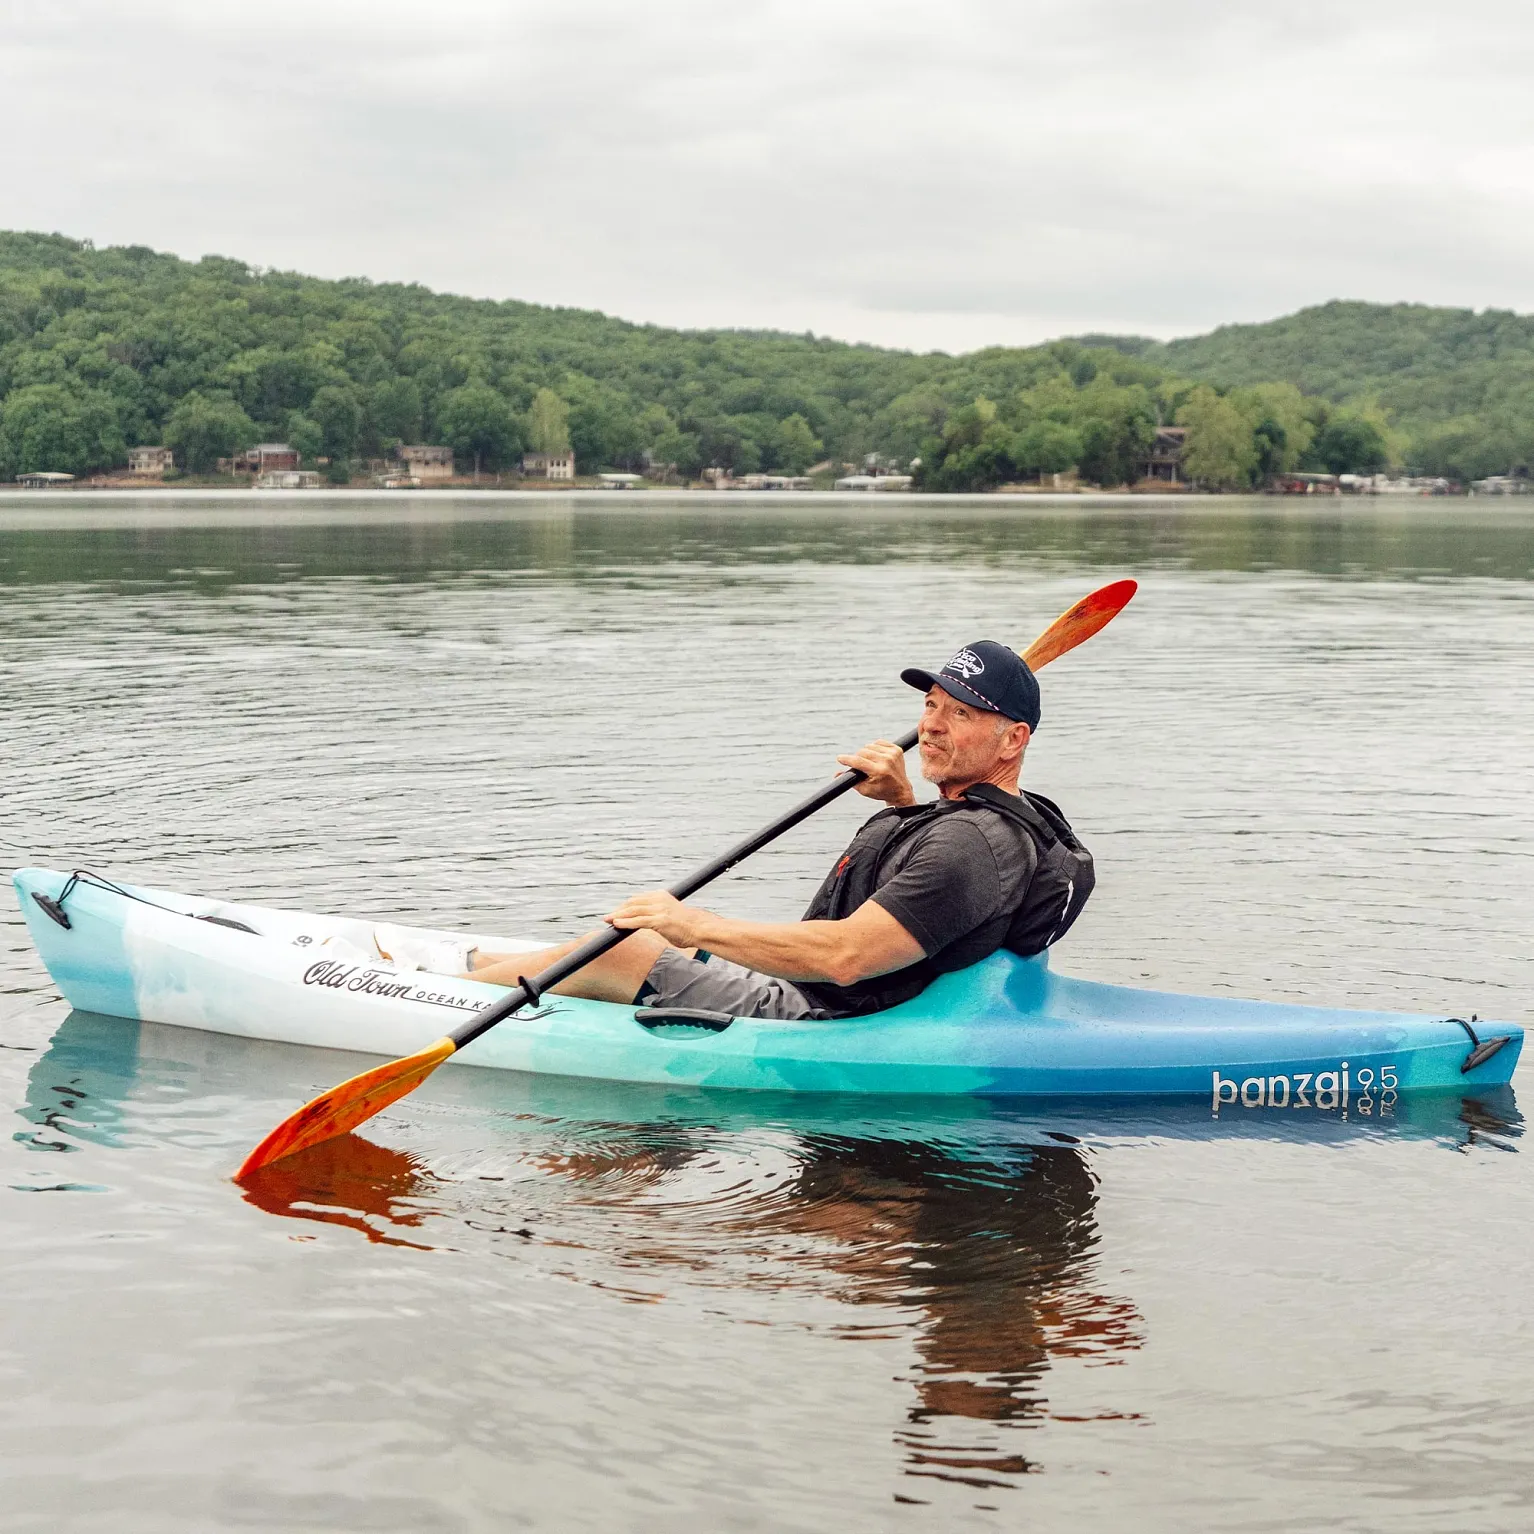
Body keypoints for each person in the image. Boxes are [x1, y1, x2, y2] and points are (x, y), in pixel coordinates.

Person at [383, 641, 1093, 1020]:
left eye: (960, 715)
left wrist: (692, 926)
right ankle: (481, 970)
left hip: (830, 1016)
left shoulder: (970, 847)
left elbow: (847, 957)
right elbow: (940, 893)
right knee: (646, 944)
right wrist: (903, 804)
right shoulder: (992, 822)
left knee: (632, 951)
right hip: (873, 997)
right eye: (932, 705)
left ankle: (436, 994)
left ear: (1013, 740)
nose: (932, 725)